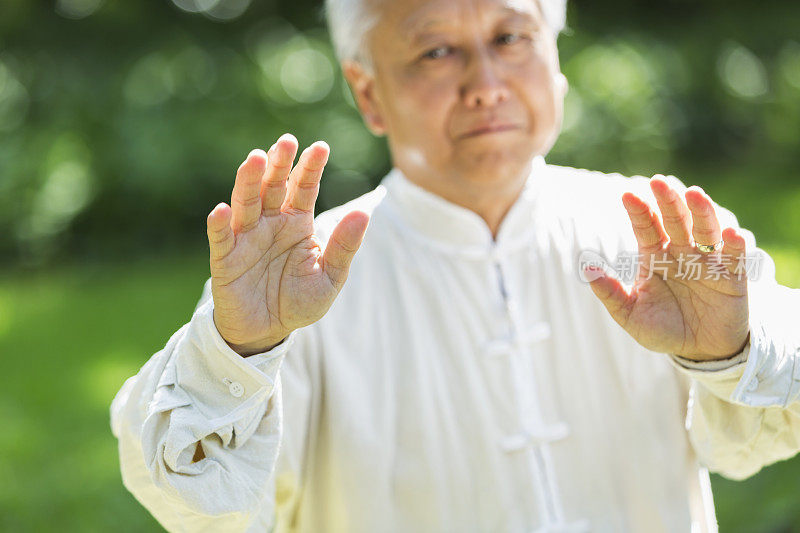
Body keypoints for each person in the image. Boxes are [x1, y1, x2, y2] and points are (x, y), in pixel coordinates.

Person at [110, 0, 800, 531]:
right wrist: (240, 350)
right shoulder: (300, 280)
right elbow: (193, 499)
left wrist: (730, 352)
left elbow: (763, 426)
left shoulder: (657, 232)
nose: (486, 83)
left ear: (555, 59)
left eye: (510, 38)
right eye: (437, 51)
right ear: (369, 92)